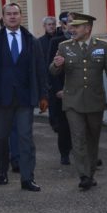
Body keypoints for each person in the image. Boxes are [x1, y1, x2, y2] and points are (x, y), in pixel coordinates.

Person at [0, 3, 49, 191]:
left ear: (21, 16)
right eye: (8, 14)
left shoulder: (31, 40)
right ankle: (2, 170)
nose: (12, 17)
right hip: (1, 98)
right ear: (3, 17)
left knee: (26, 137)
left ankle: (27, 178)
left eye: (15, 13)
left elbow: (41, 70)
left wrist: (43, 95)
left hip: (24, 98)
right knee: (1, 137)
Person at [50, 13, 107, 191]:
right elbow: (52, 71)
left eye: (76, 26)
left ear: (87, 28)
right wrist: (57, 64)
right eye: (71, 26)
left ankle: (90, 172)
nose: (72, 30)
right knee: (78, 137)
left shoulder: (102, 46)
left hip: (95, 100)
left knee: (92, 138)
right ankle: (83, 175)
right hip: (72, 100)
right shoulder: (64, 47)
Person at [46, 11, 73, 165]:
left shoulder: (85, 41)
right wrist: (57, 89)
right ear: (64, 25)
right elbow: (51, 68)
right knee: (64, 125)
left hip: (79, 90)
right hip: (62, 90)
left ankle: (87, 153)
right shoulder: (57, 42)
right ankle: (65, 152)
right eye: (69, 23)